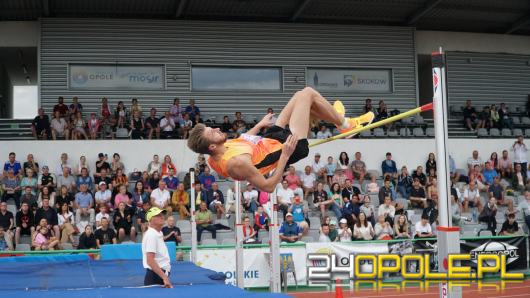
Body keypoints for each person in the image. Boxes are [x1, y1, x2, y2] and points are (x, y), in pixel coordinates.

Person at [187, 87, 374, 192]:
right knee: (308, 94)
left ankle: (335, 118)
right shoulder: (236, 163)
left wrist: (259, 125)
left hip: (270, 138)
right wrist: (284, 157)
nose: (218, 129)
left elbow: (243, 141)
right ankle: (343, 123)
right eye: (213, 132)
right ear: (212, 145)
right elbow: (268, 187)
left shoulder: (214, 155)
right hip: (289, 146)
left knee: (301, 96)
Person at [141, 207, 172, 287]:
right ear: (150, 220)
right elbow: (150, 260)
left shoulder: (158, 233)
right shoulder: (151, 235)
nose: (162, 217)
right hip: (155, 276)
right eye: (158, 215)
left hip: (157, 274)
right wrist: (164, 277)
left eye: (162, 215)